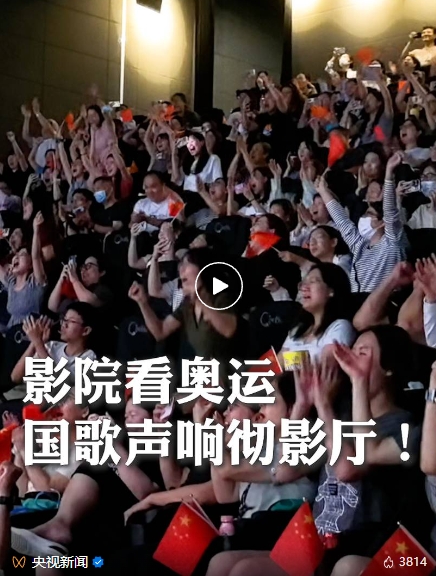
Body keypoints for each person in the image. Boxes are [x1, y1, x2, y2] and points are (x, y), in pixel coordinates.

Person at [316, 153, 408, 293]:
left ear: (382, 222)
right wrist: (323, 191)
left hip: (382, 303)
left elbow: (390, 212)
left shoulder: (393, 242)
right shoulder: (360, 246)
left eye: (370, 215)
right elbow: (342, 222)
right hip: (357, 303)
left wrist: (389, 173)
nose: (364, 218)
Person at [279, 263, 356, 361]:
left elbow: (325, 364)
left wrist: (285, 362)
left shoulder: (340, 327)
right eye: (304, 283)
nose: (304, 288)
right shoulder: (298, 328)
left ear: (331, 290)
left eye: (313, 281)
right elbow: (273, 365)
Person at [11, 301, 97, 384]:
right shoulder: (51, 345)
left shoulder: (89, 357)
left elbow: (61, 382)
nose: (64, 324)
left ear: (86, 330)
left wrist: (38, 342)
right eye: (64, 319)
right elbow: (15, 377)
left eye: (71, 321)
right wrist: (35, 341)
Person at [0, 212, 47, 329]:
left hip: (29, 334)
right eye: (16, 256)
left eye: (22, 254)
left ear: (31, 265)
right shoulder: (11, 283)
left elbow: (36, 256)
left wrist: (36, 230)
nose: (16, 257)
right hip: (10, 333)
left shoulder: (35, 283)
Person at [48, 256, 113, 315]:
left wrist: (74, 280)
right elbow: (52, 307)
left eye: (88, 266)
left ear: (101, 272)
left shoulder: (103, 289)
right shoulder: (78, 286)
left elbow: (87, 303)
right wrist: (61, 279)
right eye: (82, 267)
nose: (83, 270)